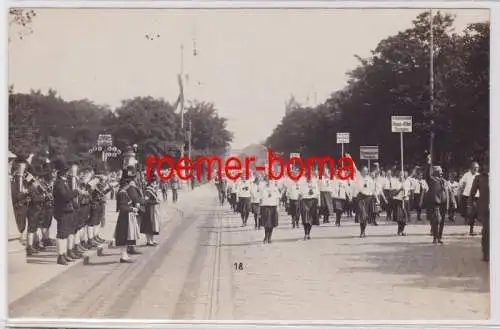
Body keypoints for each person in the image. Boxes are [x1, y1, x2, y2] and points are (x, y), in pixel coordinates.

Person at [424, 155, 456, 244]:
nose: (441, 172)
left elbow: (449, 192)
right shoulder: (431, 180)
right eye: (440, 171)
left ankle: (439, 237)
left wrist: (452, 203)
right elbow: (426, 174)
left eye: (441, 171)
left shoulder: (444, 181)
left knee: (441, 222)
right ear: (436, 172)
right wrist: (428, 163)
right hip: (435, 204)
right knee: (436, 220)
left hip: (444, 204)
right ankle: (435, 237)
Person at [52, 158, 78, 265]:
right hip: (62, 211)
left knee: (65, 234)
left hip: (66, 210)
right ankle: (60, 256)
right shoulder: (59, 183)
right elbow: (65, 196)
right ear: (62, 172)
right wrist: (75, 192)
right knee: (61, 234)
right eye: (65, 171)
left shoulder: (63, 182)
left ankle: (63, 254)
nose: (67, 173)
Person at [114, 166, 142, 263]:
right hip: (124, 217)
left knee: (126, 237)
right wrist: (132, 209)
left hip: (127, 217)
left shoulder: (123, 192)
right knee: (123, 237)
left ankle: (124, 255)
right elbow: (122, 207)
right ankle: (123, 256)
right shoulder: (122, 193)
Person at [348, 154, 375, 238]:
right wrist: (350, 158)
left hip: (368, 198)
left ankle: (363, 232)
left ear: (367, 171)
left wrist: (375, 199)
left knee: (366, 216)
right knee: (362, 214)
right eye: (363, 170)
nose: (365, 172)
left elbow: (372, 190)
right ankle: (362, 232)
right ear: (361, 171)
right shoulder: (359, 176)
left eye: (366, 170)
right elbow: (354, 167)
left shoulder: (370, 179)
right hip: (360, 198)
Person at [469, 159, 489, 262]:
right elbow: (472, 194)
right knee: (487, 232)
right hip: (486, 209)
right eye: (486, 164)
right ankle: (486, 254)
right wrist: (472, 205)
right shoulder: (479, 178)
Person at [459, 162, 480, 235]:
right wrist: (461, 192)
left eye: (477, 168)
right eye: (474, 168)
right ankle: (469, 222)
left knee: (474, 212)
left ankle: (471, 229)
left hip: (476, 197)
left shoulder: (478, 175)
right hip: (467, 196)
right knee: (468, 212)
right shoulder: (466, 175)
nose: (476, 169)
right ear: (471, 168)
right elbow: (461, 184)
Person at [141, 176, 161, 246]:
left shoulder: (152, 190)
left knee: (153, 225)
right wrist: (155, 202)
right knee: (149, 225)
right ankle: (149, 241)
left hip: (152, 209)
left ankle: (152, 240)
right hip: (148, 210)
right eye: (155, 182)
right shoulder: (148, 191)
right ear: (152, 182)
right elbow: (146, 201)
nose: (156, 184)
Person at [260, 176, 280, 243]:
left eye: (269, 180)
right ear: (265, 181)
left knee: (272, 223)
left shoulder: (275, 188)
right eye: (267, 180)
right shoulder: (263, 188)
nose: (268, 182)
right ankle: (266, 236)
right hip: (265, 207)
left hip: (273, 207)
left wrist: (278, 206)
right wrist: (260, 207)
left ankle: (269, 238)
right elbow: (260, 198)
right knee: (266, 223)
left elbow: (278, 196)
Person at [299, 175, 320, 240]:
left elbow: (318, 194)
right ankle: (305, 233)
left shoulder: (315, 184)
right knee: (305, 219)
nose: (309, 179)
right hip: (305, 202)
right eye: (308, 178)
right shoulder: (302, 184)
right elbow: (300, 194)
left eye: (310, 178)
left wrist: (319, 203)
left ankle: (308, 233)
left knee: (310, 219)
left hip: (313, 202)